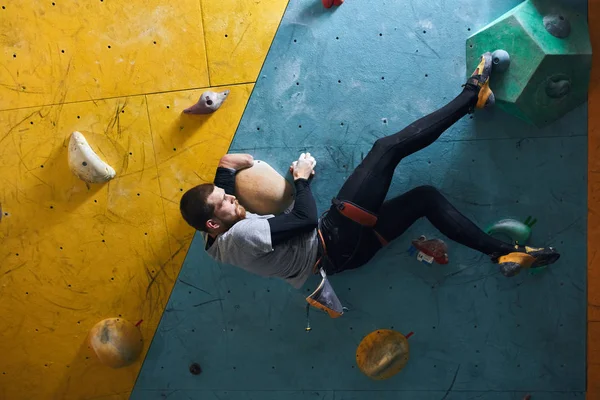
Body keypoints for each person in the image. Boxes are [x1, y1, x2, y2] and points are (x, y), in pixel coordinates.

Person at [179, 53, 560, 290]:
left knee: (425, 197)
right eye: (223, 201)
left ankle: (503, 254)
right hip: (332, 238)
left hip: (344, 259)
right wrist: (301, 177)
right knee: (386, 149)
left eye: (223, 192)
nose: (229, 196)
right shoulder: (244, 232)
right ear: (215, 224)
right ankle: (470, 95)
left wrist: (226, 170)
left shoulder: (215, 245)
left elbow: (222, 189)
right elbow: (304, 218)